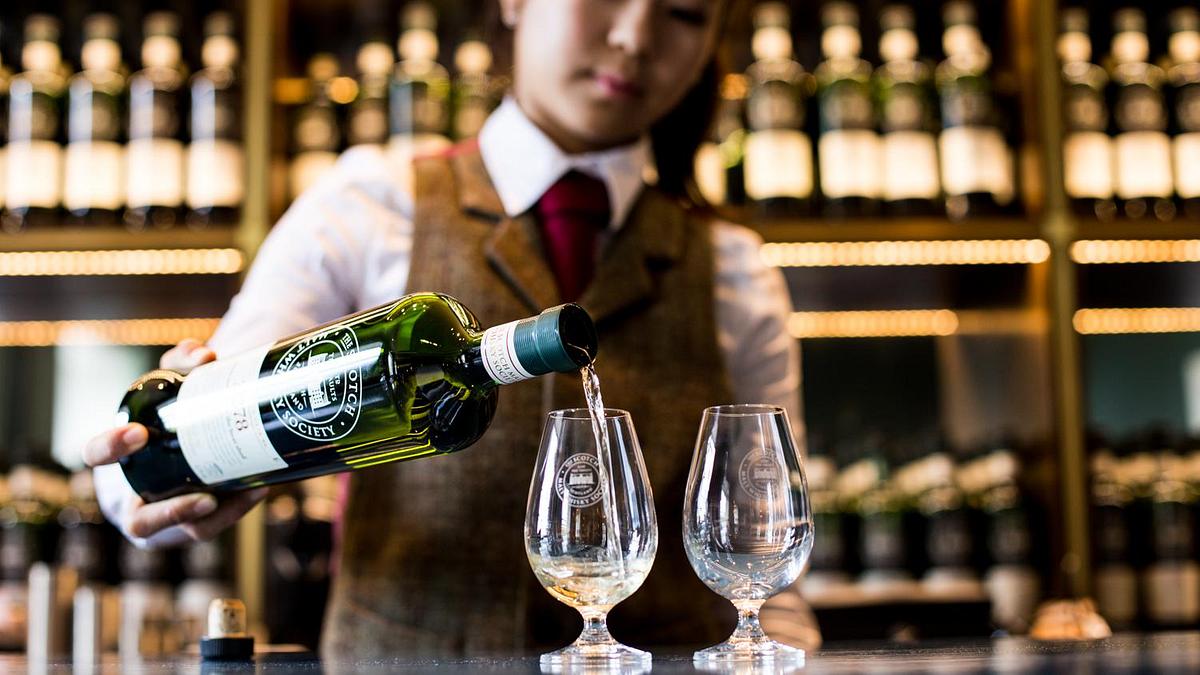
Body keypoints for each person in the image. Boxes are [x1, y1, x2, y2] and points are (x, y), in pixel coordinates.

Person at [85, 0, 810, 658]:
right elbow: (193, 422)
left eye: (684, 13)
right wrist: (160, 463)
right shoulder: (368, 205)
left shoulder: (734, 270)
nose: (635, 36)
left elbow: (771, 560)